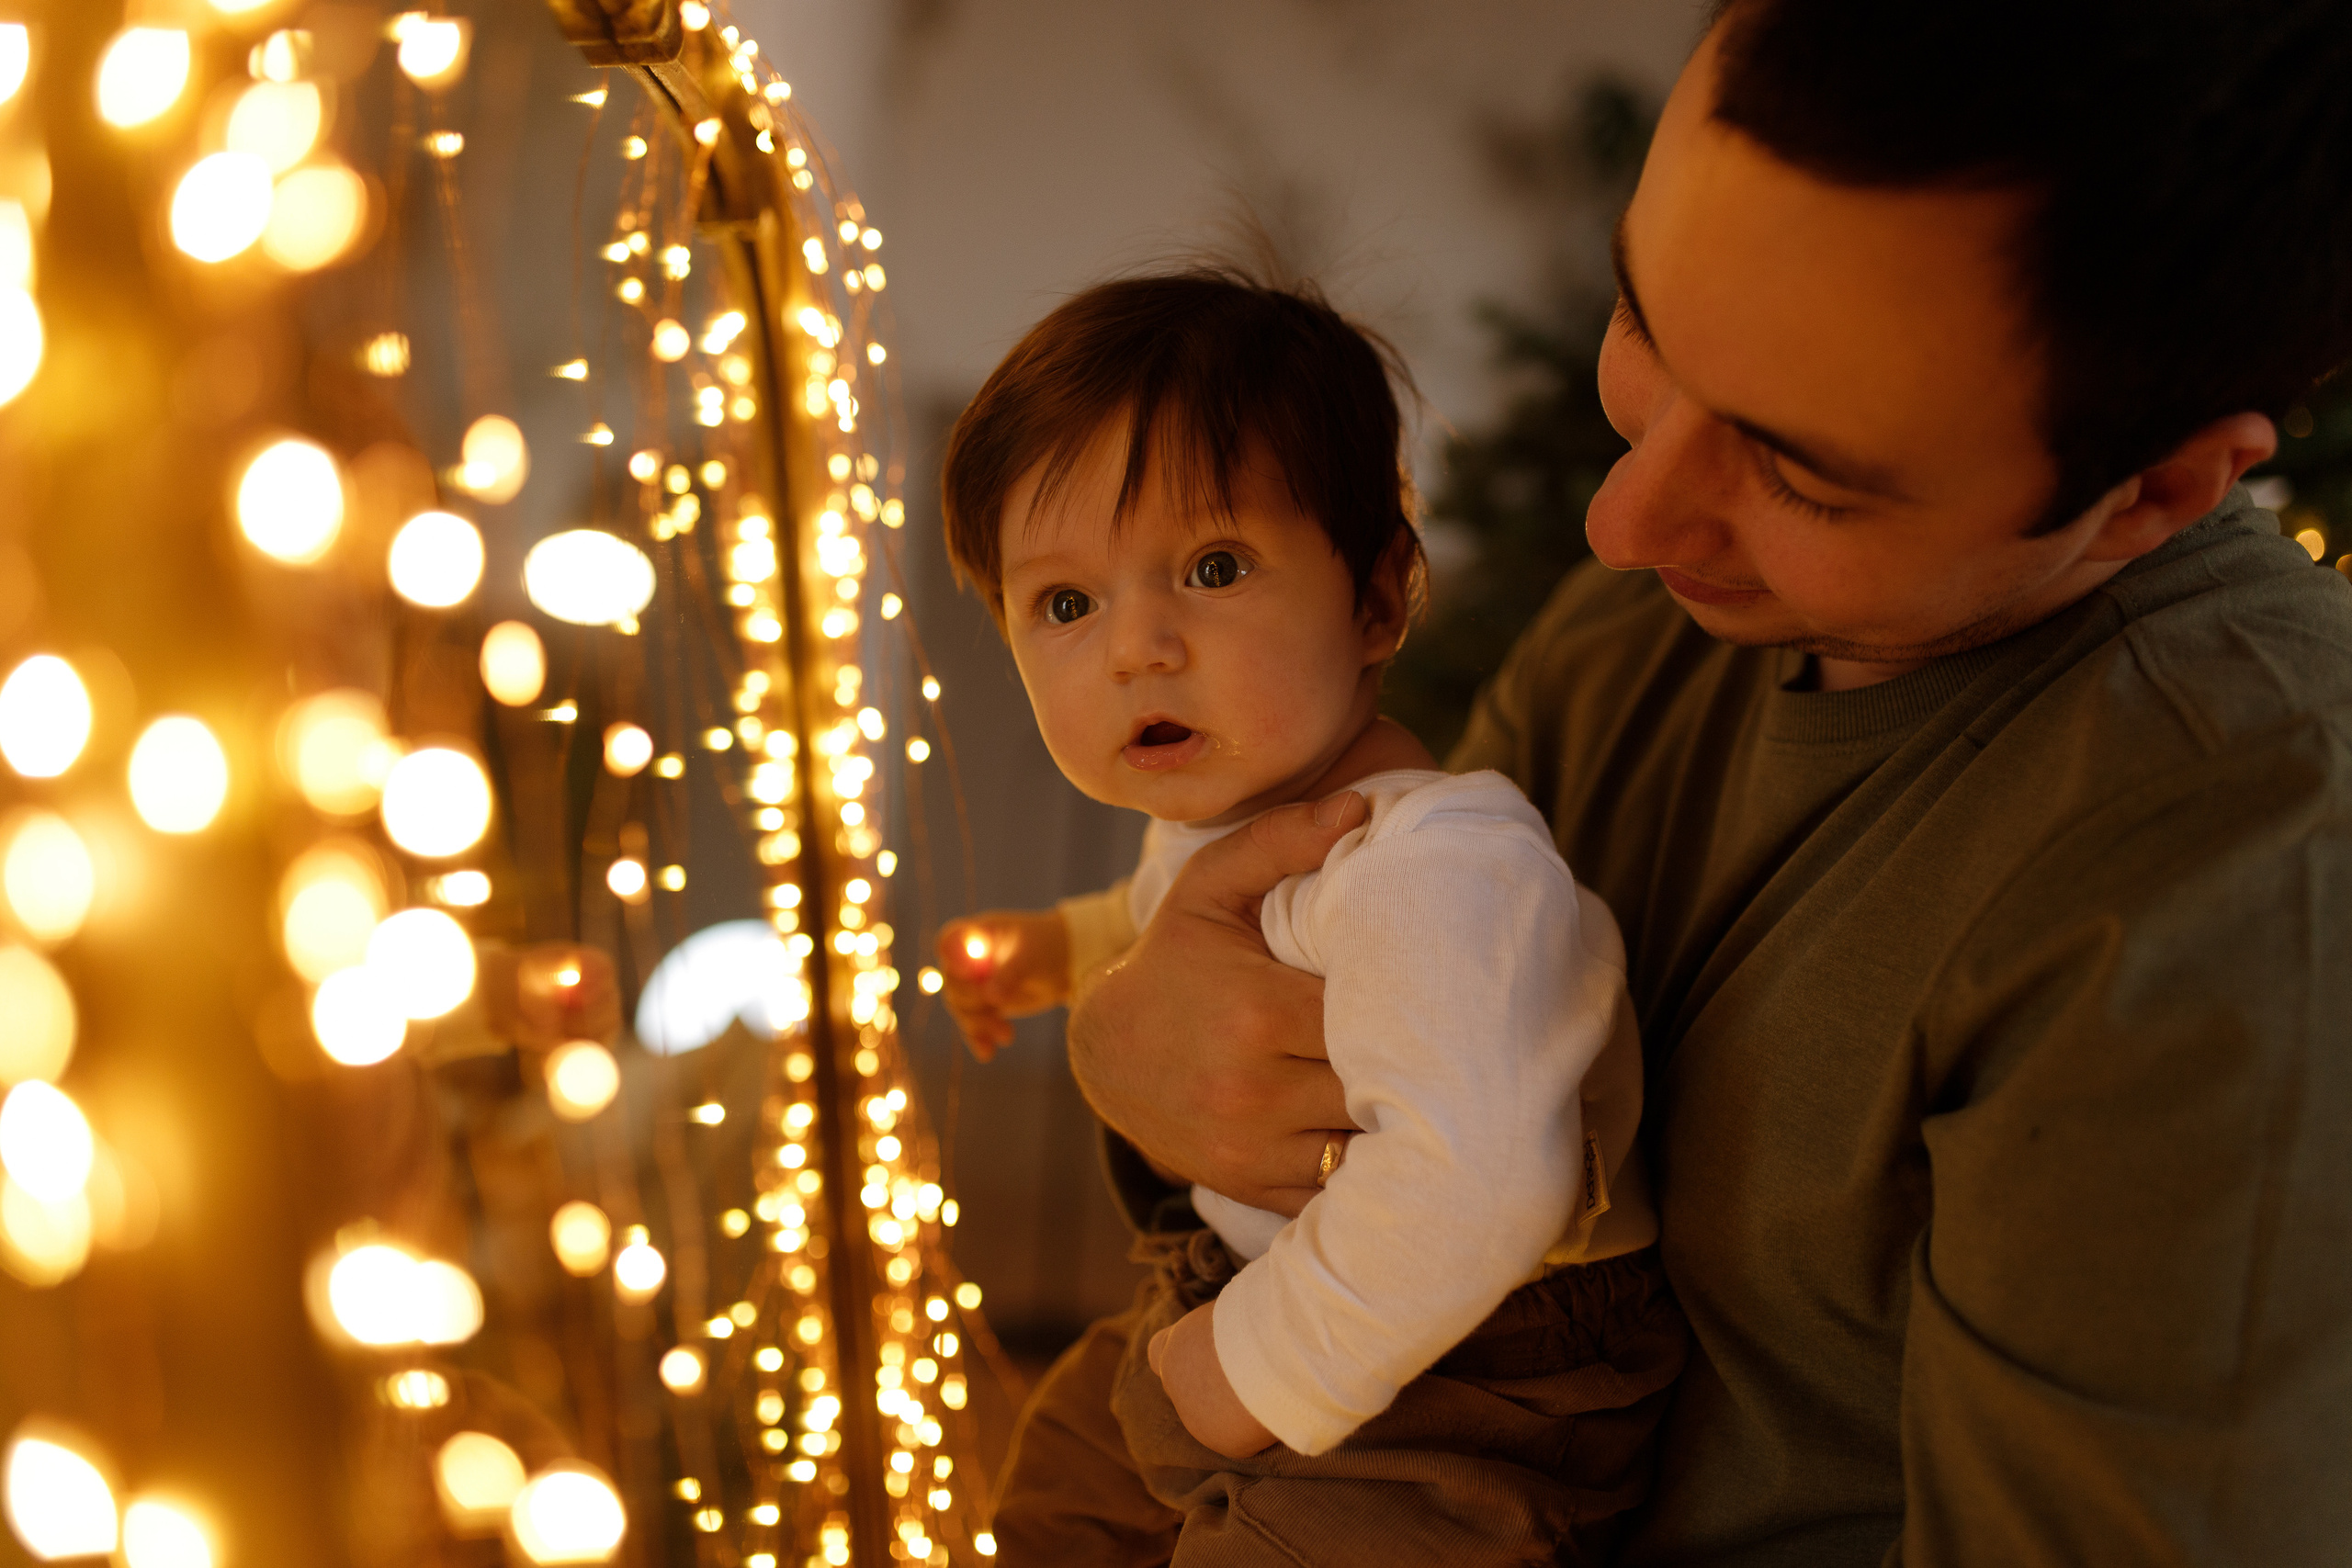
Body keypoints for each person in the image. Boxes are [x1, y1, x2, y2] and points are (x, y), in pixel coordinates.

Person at [1049, 3, 2352, 1563]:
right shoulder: (1668, 612)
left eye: (1803, 474)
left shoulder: (2246, 877)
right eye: (1643, 322)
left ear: (2156, 491)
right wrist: (1135, 1059)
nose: (1625, 519)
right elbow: (1348, 1019)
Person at [932, 274, 1688, 1563]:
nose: (1136, 648)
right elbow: (1166, 917)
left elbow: (1485, 1179)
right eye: (1067, 605)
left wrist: (1247, 1368)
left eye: (1213, 568)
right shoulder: (1225, 818)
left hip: (1479, 1362)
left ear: (1381, 600)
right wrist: (1065, 949)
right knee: (1058, 1471)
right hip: (1274, 1286)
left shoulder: (1437, 866)